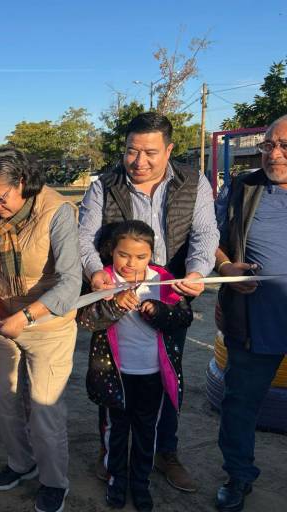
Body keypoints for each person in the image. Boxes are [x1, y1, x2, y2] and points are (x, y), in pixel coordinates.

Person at [78, 112, 218, 492]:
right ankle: (113, 456)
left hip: (168, 293)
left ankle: (165, 452)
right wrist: (96, 273)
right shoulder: (103, 185)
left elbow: (205, 233)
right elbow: (85, 237)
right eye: (131, 151)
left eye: (150, 153)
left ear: (169, 150)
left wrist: (196, 271)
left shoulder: (193, 182)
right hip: (115, 291)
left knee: (166, 373)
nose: (139, 162)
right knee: (112, 371)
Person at [0, 146, 81, 512]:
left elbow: (70, 283)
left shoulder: (58, 211)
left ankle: (54, 481)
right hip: (4, 321)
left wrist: (27, 316)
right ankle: (22, 463)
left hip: (49, 324)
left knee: (44, 409)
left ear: (21, 182)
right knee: (4, 403)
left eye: (0, 198)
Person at [78, 221, 193, 512]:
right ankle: (117, 480)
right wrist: (114, 305)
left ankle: (141, 484)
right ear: (112, 252)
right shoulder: (102, 281)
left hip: (152, 376)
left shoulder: (163, 279)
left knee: (145, 432)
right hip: (113, 376)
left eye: (140, 256)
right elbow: (86, 320)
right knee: (115, 431)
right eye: (123, 255)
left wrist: (160, 312)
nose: (131, 263)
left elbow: (183, 318)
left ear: (151, 254)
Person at [213, 115, 287, 512]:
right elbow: (210, 239)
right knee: (239, 403)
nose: (274, 154)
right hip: (255, 323)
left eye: (285, 146)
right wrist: (224, 269)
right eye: (268, 145)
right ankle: (238, 476)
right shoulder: (242, 188)